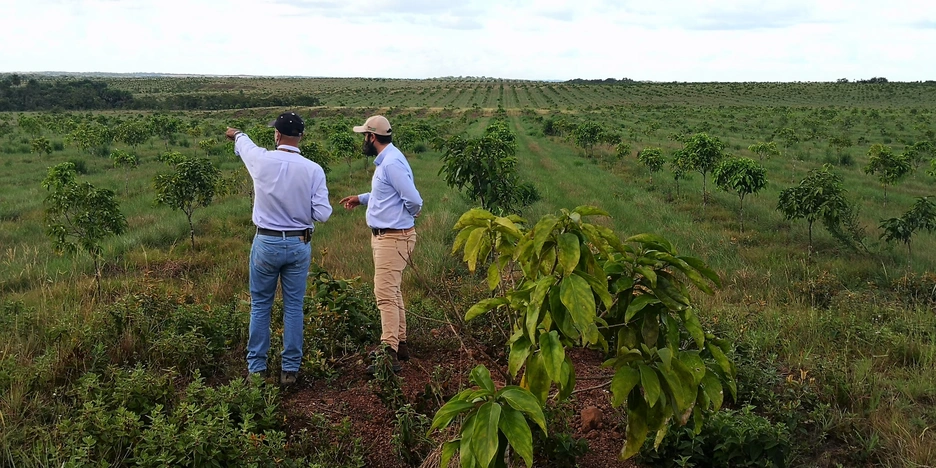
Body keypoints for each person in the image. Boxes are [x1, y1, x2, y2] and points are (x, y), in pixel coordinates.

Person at [225, 111, 332, 386]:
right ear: (301, 137)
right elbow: (322, 214)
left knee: (261, 306)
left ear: (276, 135)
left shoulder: (261, 159)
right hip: (299, 243)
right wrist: (298, 208)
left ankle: (256, 371)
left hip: (266, 242)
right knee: (294, 307)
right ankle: (289, 371)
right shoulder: (313, 169)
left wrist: (236, 134)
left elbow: (244, 143)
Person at [339, 115, 422, 375]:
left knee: (384, 294)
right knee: (393, 291)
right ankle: (400, 343)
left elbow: (414, 200)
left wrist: (405, 219)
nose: (363, 140)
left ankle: (389, 353)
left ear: (372, 137)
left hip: (393, 237)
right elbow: (387, 193)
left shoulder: (392, 163)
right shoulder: (388, 160)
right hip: (389, 236)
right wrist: (362, 198)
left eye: (365, 135)